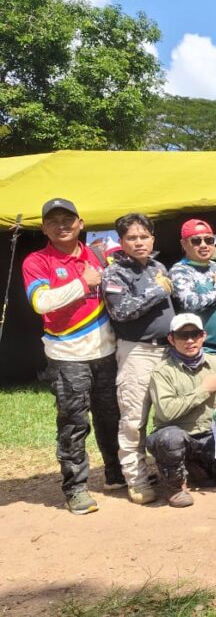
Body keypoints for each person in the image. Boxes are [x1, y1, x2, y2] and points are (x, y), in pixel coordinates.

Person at [22, 198, 123, 515]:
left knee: (111, 418)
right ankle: (76, 488)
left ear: (81, 223)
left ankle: (116, 474)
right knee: (74, 423)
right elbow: (41, 302)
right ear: (44, 228)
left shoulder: (99, 255)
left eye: (68, 219)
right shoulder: (37, 261)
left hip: (106, 352)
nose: (61, 226)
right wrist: (82, 283)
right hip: (67, 355)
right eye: (53, 221)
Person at [102, 213, 175, 505]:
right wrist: (158, 289)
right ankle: (137, 480)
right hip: (137, 352)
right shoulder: (114, 272)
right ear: (121, 241)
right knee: (134, 419)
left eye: (144, 236)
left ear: (153, 239)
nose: (139, 242)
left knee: (169, 413)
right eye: (131, 238)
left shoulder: (158, 267)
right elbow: (121, 311)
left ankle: (170, 472)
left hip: (168, 350)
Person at [146, 314, 216, 507]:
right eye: (182, 336)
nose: (189, 340)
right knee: (171, 438)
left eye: (195, 334)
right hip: (180, 438)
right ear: (171, 339)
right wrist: (203, 390)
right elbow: (166, 411)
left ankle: (200, 470)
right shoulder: (162, 371)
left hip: (211, 437)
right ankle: (174, 488)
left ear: (203, 336)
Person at [169, 219, 216, 365]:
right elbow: (191, 304)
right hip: (202, 353)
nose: (204, 245)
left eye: (209, 240)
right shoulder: (179, 271)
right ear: (184, 244)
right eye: (196, 241)